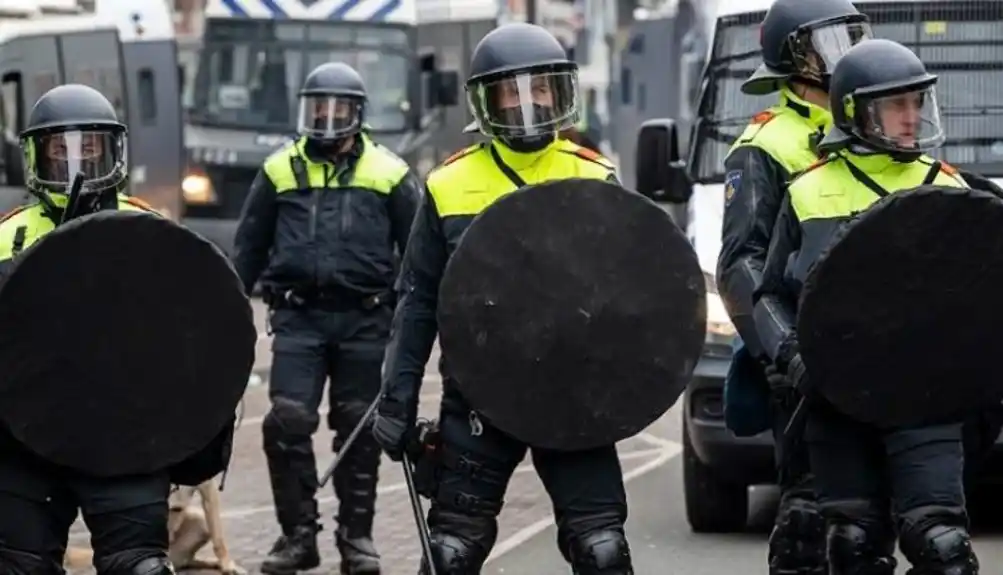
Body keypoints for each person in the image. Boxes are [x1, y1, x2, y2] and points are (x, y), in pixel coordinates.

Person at [371, 22, 629, 574]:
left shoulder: (595, 177)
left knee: (602, 549)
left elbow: (632, 296)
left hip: (573, 398)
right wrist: (398, 398)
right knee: (451, 554)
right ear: (486, 102)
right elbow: (417, 302)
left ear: (560, 92)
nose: (527, 103)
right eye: (510, 90)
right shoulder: (447, 185)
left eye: (539, 88)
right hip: (480, 398)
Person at [754, 39, 977, 574]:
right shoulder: (808, 193)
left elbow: (980, 294)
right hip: (839, 399)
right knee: (849, 544)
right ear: (855, 111)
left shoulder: (947, 186)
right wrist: (794, 357)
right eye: (895, 104)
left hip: (927, 397)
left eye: (916, 102)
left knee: (942, 544)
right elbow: (767, 297)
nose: (911, 117)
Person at [232, 62, 422, 574]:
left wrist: (416, 314)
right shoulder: (278, 171)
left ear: (359, 115)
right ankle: (298, 536)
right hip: (298, 319)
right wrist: (224, 315)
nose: (327, 118)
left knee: (358, 430)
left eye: (339, 108)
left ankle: (356, 539)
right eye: (318, 107)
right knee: (286, 423)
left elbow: (420, 254)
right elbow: (247, 249)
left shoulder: (391, 173)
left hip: (367, 320)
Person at [0, 84, 188, 574]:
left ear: (114, 152)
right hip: (26, 440)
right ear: (35, 157)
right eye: (60, 151)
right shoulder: (7, 236)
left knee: (139, 567)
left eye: (90, 150)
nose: (77, 165)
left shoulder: (149, 231)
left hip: (123, 438)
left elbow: (194, 336)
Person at [715, 0, 872, 571]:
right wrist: (784, 354)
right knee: (811, 524)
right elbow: (740, 265)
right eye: (831, 43)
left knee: (877, 527)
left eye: (853, 38)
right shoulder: (766, 144)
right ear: (792, 57)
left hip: (881, 353)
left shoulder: (876, 121)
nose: (848, 55)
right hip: (806, 364)